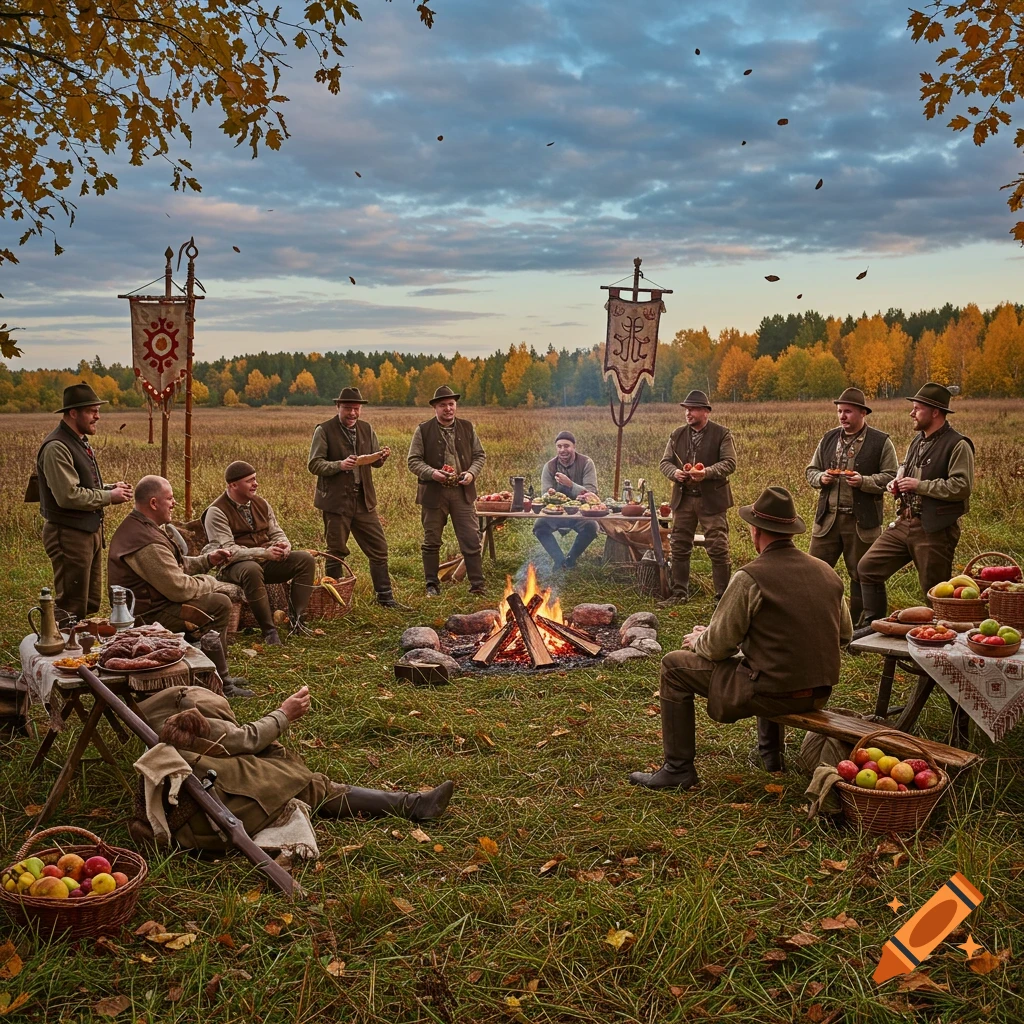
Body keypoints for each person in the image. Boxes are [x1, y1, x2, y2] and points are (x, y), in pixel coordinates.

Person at [630, 486, 852, 789]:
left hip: (772, 693)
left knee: (673, 666)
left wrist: (700, 638)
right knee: (764, 660)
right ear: (790, 531)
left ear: (756, 530)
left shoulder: (750, 577)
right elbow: (844, 635)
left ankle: (677, 769)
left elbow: (717, 647)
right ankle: (771, 757)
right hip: (818, 690)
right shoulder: (827, 571)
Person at [130, 683, 455, 851]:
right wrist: (284, 713)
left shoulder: (158, 715)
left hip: (196, 803)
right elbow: (244, 740)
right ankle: (412, 805)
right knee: (310, 784)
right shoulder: (195, 721)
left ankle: (410, 802)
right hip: (206, 818)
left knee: (288, 770)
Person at [107, 475, 253, 698]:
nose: (174, 503)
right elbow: (179, 589)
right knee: (219, 603)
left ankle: (211, 672)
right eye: (170, 498)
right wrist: (212, 582)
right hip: (147, 615)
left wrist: (207, 561)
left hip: (155, 604)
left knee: (214, 602)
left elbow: (174, 565)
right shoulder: (145, 541)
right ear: (154, 503)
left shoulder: (142, 526)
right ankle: (218, 682)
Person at [857, 382, 975, 626]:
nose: (912, 413)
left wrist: (919, 485)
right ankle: (873, 625)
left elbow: (961, 487)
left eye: (917, 408)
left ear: (935, 412)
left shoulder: (957, 444)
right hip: (904, 523)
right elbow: (905, 470)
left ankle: (937, 644)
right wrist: (896, 483)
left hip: (934, 529)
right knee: (867, 568)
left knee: (934, 593)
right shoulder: (917, 442)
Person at [33, 383, 133, 619]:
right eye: (91, 411)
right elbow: (68, 496)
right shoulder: (57, 446)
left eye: (98, 410)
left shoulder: (78, 440)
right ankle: (56, 649)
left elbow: (81, 487)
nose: (97, 416)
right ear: (73, 413)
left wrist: (109, 487)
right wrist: (109, 497)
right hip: (68, 533)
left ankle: (77, 649)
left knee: (88, 601)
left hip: (86, 532)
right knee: (71, 603)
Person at [805, 387, 898, 626]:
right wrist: (821, 478)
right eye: (839, 411)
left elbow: (891, 477)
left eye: (847, 411)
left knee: (861, 574)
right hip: (828, 520)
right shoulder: (828, 438)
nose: (842, 416)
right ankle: (816, 621)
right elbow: (811, 470)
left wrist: (864, 481)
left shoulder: (881, 442)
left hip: (861, 523)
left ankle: (862, 627)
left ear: (862, 413)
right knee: (815, 572)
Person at [307, 387, 402, 608]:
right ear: (338, 407)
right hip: (336, 502)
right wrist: (339, 465)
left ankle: (385, 598)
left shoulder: (367, 429)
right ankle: (335, 601)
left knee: (379, 549)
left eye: (356, 408)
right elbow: (314, 464)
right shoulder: (324, 430)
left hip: (363, 501)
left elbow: (373, 461)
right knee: (336, 551)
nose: (352, 413)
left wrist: (381, 457)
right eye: (348, 408)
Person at [202, 461, 317, 643]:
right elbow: (228, 550)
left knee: (305, 559)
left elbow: (276, 531)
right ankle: (269, 631)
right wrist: (264, 553)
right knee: (251, 569)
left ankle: (297, 621)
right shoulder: (216, 511)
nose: (255, 484)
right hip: (234, 567)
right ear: (233, 485)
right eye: (249, 481)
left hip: (265, 560)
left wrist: (284, 545)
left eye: (255, 479)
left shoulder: (261, 503)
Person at [658, 389, 736, 607]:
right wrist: (675, 473)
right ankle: (679, 593)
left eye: (692, 409)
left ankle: (722, 599)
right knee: (680, 545)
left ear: (705, 412)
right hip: (684, 499)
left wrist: (707, 472)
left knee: (718, 547)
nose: (688, 413)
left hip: (711, 499)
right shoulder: (677, 435)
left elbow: (730, 463)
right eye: (686, 409)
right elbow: (665, 462)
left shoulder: (722, 434)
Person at [407, 385, 487, 596]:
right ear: (435, 407)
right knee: (432, 539)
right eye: (443, 405)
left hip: (463, 492)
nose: (448, 409)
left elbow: (480, 455)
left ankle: (477, 585)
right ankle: (432, 585)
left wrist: (471, 473)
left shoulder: (467, 427)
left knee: (471, 538)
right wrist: (432, 473)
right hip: (434, 494)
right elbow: (413, 461)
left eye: (451, 404)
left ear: (455, 406)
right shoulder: (423, 430)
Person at [533, 431, 600, 569]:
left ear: (574, 447)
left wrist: (570, 484)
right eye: (559, 446)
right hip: (556, 513)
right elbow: (545, 495)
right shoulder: (549, 466)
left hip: (581, 513)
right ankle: (559, 560)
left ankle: (571, 559)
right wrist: (549, 494)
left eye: (566, 446)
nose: (563, 450)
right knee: (539, 527)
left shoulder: (586, 463)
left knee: (592, 527)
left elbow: (592, 493)